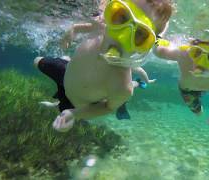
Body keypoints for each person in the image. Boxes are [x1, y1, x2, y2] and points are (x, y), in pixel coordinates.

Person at [34, 0, 173, 132]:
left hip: (76, 103)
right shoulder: (100, 27)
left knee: (62, 119)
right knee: (37, 61)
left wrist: (74, 114)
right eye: (122, 16)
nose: (121, 36)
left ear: (146, 45)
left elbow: (108, 107)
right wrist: (72, 31)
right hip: (65, 73)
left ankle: (136, 83)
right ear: (110, 13)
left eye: (140, 33)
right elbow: (81, 27)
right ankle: (62, 76)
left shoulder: (122, 86)